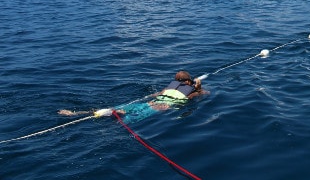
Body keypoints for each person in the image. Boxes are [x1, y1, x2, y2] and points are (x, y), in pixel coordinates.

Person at [58, 71, 208, 119]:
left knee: (119, 110)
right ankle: (113, 115)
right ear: (189, 81)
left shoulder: (165, 89)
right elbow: (204, 94)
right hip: (161, 108)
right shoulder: (191, 92)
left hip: (150, 103)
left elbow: (154, 95)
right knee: (124, 118)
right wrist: (198, 89)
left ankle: (76, 114)